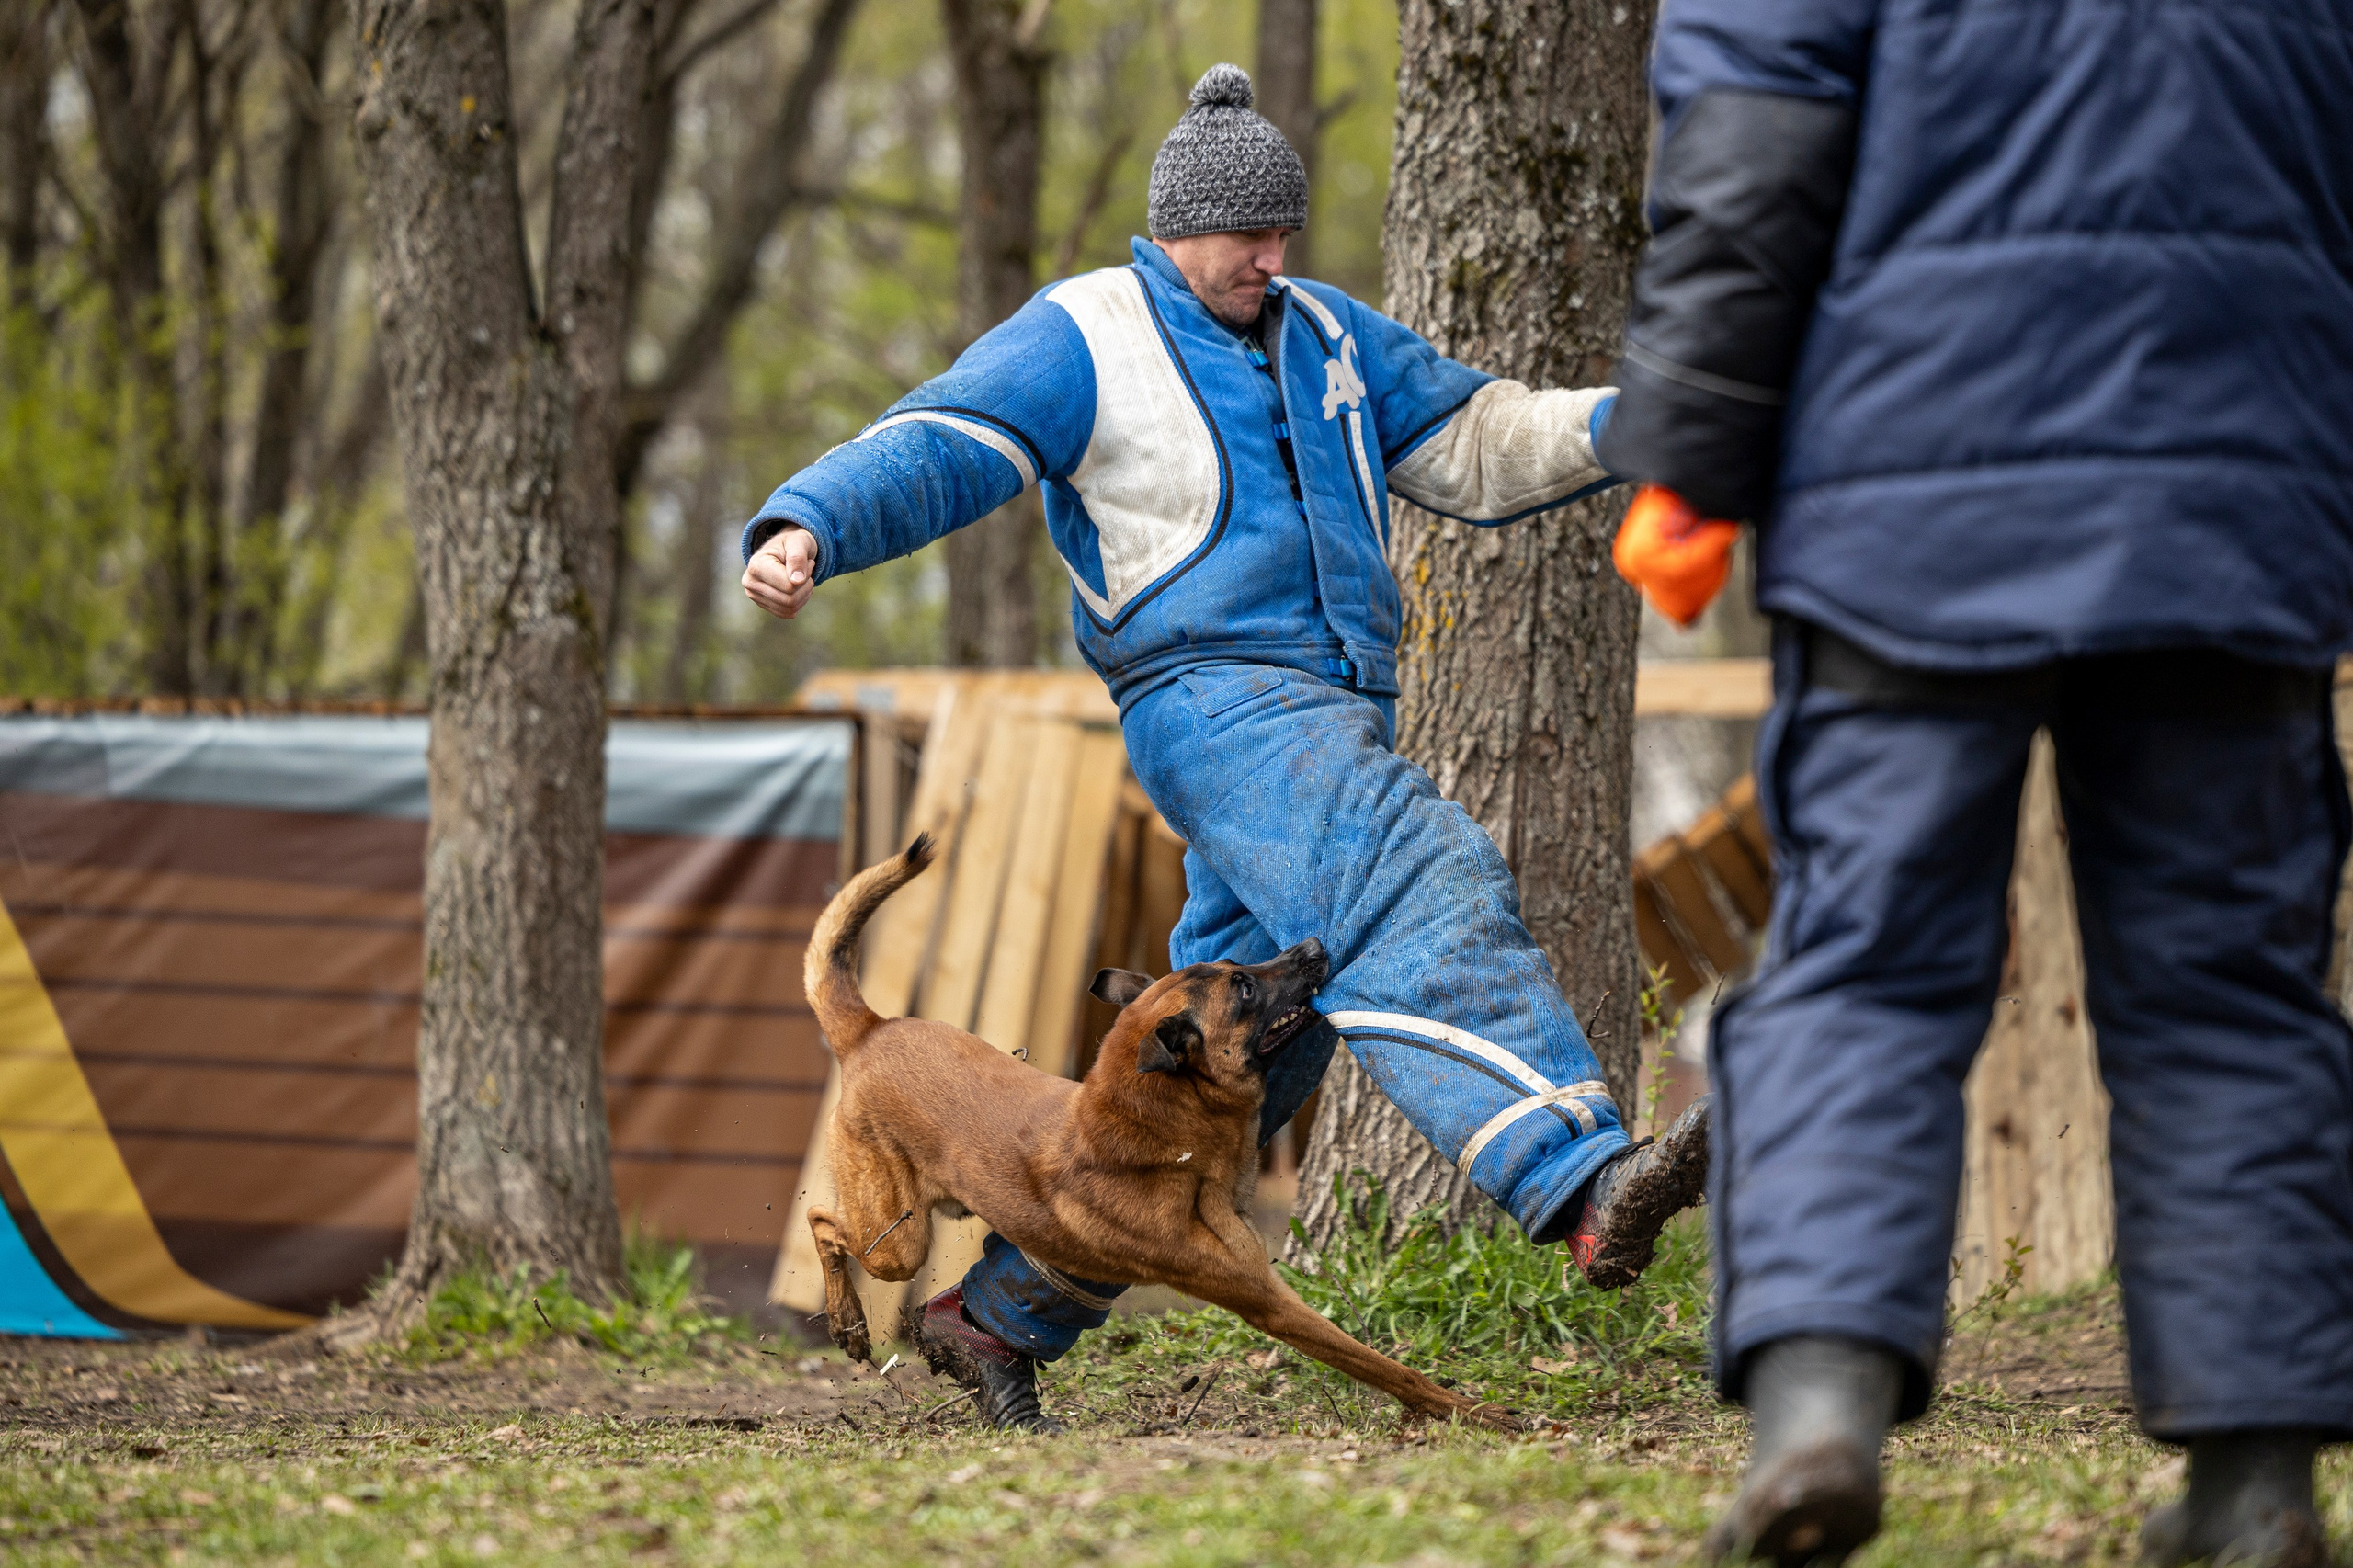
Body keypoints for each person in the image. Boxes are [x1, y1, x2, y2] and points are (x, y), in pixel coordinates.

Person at [742, 63, 1711, 1434]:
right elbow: (941, 440)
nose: (1271, 258)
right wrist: (809, 525)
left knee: (1236, 1051)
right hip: (1213, 705)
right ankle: (1580, 1181)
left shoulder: (1325, 334)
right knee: (1405, 862)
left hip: (1328, 711)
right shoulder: (1086, 333)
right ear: (1174, 229)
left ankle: (999, 1313)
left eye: (1284, 233)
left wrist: (1632, 423)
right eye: (1246, 237)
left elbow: (1481, 437)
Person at [1597, 0, 2353, 1562]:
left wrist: (1694, 453)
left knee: (1864, 961)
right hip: (2238, 494)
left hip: (1908, 499)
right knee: (2231, 987)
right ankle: (2259, 1480)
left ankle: (1817, 1418)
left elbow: (1749, 158)